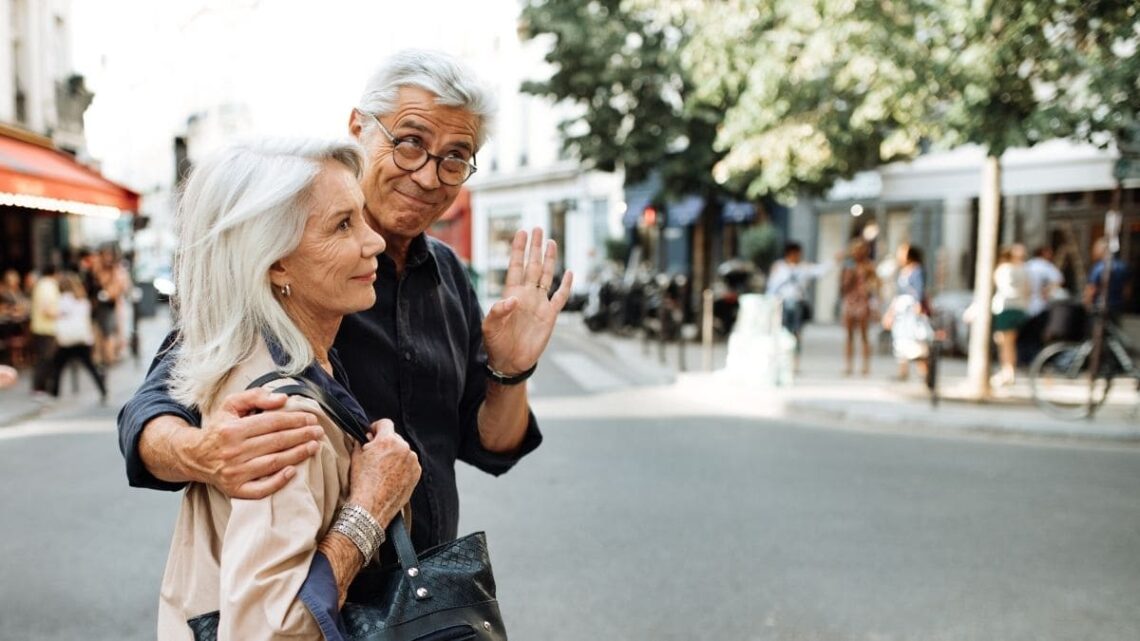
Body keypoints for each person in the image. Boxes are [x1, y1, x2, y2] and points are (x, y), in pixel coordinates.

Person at [118, 49, 570, 563]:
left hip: (425, 603)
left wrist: (510, 371)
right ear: (359, 127)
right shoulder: (290, 260)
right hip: (316, 600)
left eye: (454, 158)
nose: (427, 176)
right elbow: (152, 411)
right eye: (410, 143)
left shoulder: (448, 276)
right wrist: (204, 454)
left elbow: (490, 445)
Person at [152, 138, 420, 639]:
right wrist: (369, 512)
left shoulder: (282, 356)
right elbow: (267, 630)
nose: (374, 241)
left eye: (361, 216)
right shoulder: (281, 415)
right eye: (342, 225)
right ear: (276, 263)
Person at [766, 241, 834, 368]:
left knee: (797, 333)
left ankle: (794, 362)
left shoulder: (804, 267)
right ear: (791, 253)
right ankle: (780, 360)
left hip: (798, 304)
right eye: (797, 253)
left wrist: (833, 260)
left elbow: (819, 271)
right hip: (782, 304)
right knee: (780, 332)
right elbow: (771, 287)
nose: (799, 256)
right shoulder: (779, 267)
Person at [48, 273, 107, 403]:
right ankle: (103, 390)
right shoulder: (83, 300)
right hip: (82, 339)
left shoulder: (63, 300)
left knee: (57, 366)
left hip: (67, 341)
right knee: (90, 367)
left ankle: (54, 394)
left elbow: (55, 315)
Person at [882, 243, 930, 381]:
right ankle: (903, 372)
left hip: (912, 311)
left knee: (916, 342)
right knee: (901, 341)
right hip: (901, 311)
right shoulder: (903, 271)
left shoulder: (917, 270)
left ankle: (925, 373)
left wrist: (918, 305)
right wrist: (890, 312)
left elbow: (919, 290)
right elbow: (898, 294)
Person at [990, 244, 1029, 386]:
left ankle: (1007, 372)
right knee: (1010, 342)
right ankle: (1009, 371)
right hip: (1019, 308)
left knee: (1003, 342)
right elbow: (1027, 289)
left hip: (1005, 307)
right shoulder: (1023, 269)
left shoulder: (1003, 269)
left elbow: (998, 289)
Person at [840, 239, 880, 376]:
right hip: (850, 301)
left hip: (863, 301)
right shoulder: (848, 266)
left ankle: (865, 366)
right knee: (849, 335)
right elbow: (842, 287)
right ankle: (848, 366)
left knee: (864, 335)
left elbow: (876, 285)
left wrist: (874, 302)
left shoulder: (869, 266)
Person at [1083, 238, 1132, 324]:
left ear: (1102, 250)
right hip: (1117, 305)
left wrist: (1087, 304)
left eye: (1095, 249)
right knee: (1114, 330)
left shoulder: (1099, 267)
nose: (1093, 251)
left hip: (1100, 307)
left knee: (1098, 331)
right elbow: (1127, 290)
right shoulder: (1123, 266)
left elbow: (1091, 289)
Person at [29, 265, 60, 397]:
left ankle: (42, 386)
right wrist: (60, 314)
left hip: (40, 327)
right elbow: (46, 308)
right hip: (46, 327)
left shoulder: (40, 285)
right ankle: (39, 386)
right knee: (46, 358)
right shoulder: (48, 286)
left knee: (45, 357)